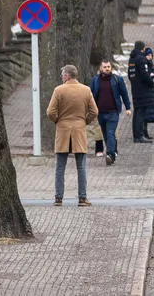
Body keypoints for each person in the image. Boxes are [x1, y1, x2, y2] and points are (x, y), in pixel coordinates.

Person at [47, 65, 99, 207]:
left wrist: (58, 120)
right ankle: (82, 198)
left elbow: (50, 112)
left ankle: (58, 198)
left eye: (63, 75)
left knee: (60, 166)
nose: (62, 77)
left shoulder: (59, 90)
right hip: (79, 130)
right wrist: (84, 121)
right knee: (81, 166)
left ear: (67, 76)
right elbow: (94, 111)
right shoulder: (86, 90)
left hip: (63, 130)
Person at [88, 60, 131, 165]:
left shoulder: (117, 79)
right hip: (100, 113)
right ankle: (111, 156)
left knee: (110, 132)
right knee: (105, 134)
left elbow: (124, 94)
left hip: (113, 113)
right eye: (105, 67)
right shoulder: (95, 80)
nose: (107, 68)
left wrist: (128, 108)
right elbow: (90, 95)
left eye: (108, 66)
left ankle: (110, 154)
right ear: (100, 68)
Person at [128, 42, 154, 143]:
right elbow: (145, 74)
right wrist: (151, 83)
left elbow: (130, 75)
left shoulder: (131, 59)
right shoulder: (141, 59)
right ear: (142, 49)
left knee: (137, 112)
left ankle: (136, 135)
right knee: (141, 113)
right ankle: (139, 135)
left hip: (135, 89)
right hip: (143, 90)